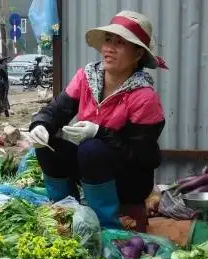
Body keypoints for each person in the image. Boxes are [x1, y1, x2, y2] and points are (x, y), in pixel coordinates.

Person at [26, 11, 167, 232]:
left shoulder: (143, 96)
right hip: (90, 169)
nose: (109, 48)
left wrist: (99, 132)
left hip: (129, 179)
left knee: (91, 149)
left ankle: (105, 228)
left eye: (120, 43)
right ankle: (65, 215)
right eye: (108, 40)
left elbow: (144, 157)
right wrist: (40, 125)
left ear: (138, 54)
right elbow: (58, 110)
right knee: (48, 145)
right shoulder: (86, 77)